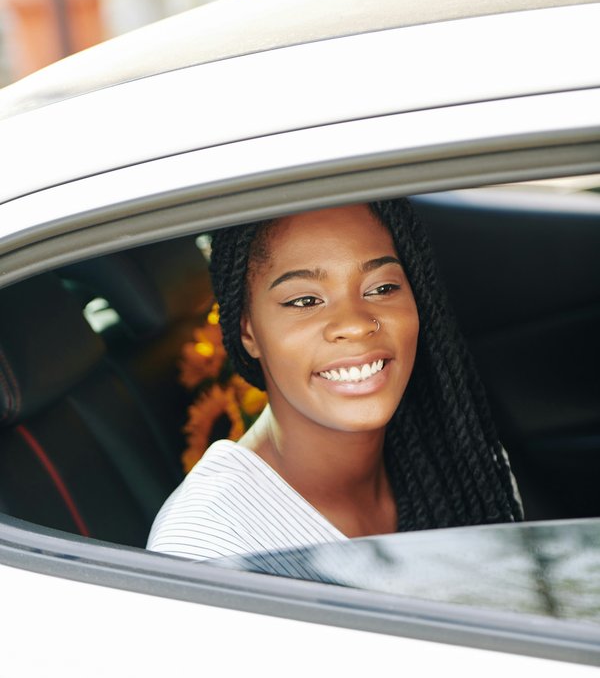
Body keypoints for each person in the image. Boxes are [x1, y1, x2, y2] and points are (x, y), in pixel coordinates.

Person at [147, 198, 522, 561]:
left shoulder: (463, 460)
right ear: (248, 331)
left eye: (382, 288)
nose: (356, 324)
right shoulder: (207, 548)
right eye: (306, 301)